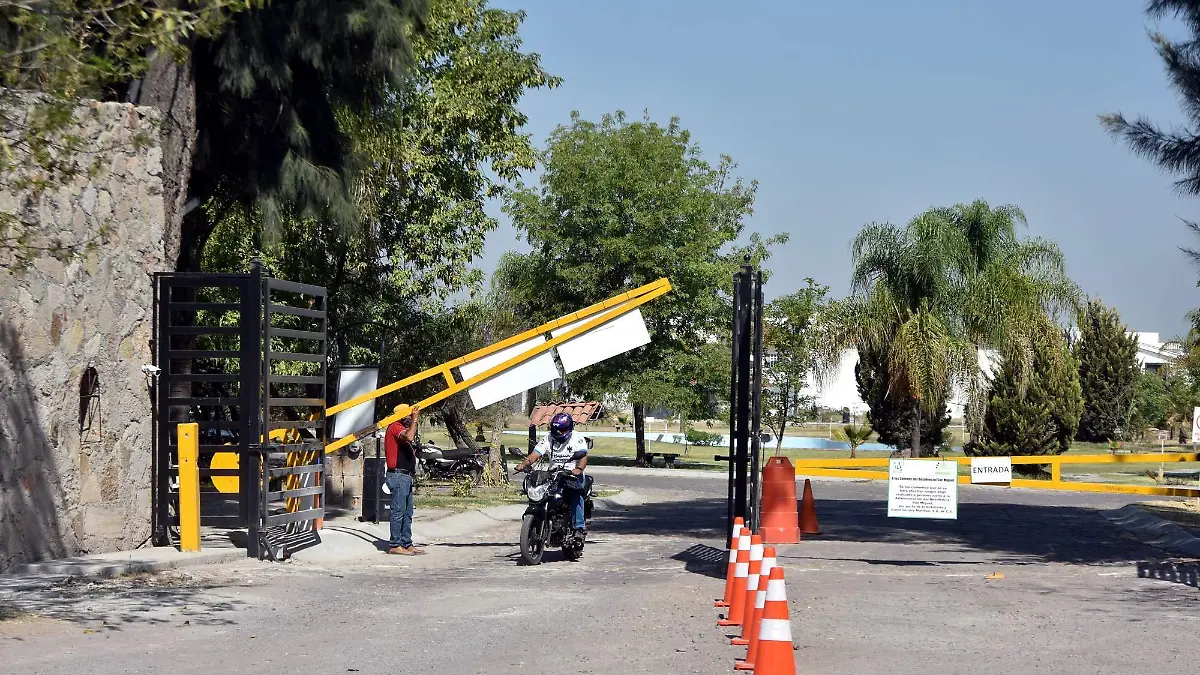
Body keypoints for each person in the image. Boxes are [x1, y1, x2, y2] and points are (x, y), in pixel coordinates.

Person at [513, 412, 589, 536]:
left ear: (569, 428)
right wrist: (524, 464)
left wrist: (579, 469)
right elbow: (535, 454)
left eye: (562, 429)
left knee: (576, 494)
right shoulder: (548, 438)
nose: (558, 432)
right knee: (542, 495)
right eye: (556, 429)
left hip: (572, 474)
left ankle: (578, 527)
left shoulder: (577, 438)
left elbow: (583, 456)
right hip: (554, 474)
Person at [384, 404, 423, 555]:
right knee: (398, 510)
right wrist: (415, 420)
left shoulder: (402, 427)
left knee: (407, 512)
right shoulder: (394, 426)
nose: (409, 418)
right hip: (398, 475)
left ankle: (406, 543)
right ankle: (395, 544)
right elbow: (409, 436)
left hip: (406, 476)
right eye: (407, 415)